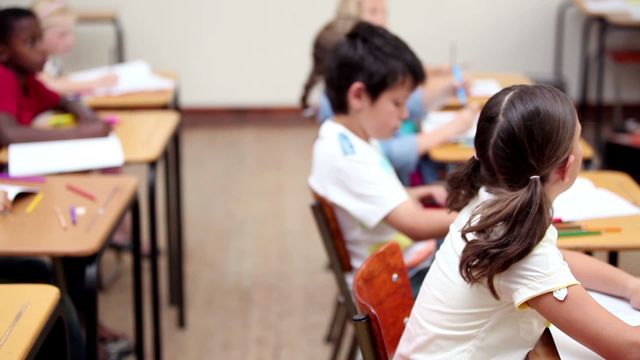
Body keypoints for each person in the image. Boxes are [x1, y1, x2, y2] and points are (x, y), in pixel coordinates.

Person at [395, 84, 640, 359]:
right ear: (567, 166)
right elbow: (628, 348)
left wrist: (629, 286)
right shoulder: (518, 244)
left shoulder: (489, 203)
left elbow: (558, 260)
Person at [309, 22, 458, 294]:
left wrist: (417, 193)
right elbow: (414, 225)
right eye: (397, 103)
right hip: (395, 285)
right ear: (358, 96)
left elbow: (377, 199)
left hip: (400, 267)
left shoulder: (346, 136)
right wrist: (475, 218)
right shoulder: (349, 158)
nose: (404, 115)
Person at [302, 0, 477, 185]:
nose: (383, 21)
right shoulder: (358, 148)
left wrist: (447, 90)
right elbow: (391, 153)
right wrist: (451, 128)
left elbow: (405, 102)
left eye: (385, 13)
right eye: (374, 12)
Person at [0, 7, 110, 146]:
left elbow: (65, 101)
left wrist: (89, 118)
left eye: (40, 39)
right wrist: (81, 133)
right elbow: (6, 134)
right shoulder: (3, 77)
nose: (42, 48)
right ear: (3, 52)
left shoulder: (28, 81)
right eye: (31, 42)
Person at [32, 0, 117, 96]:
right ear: (37, 33)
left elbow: (58, 80)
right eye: (61, 34)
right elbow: (48, 85)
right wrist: (97, 83)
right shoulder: (33, 60)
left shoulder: (52, 60)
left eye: (71, 33)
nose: (70, 41)